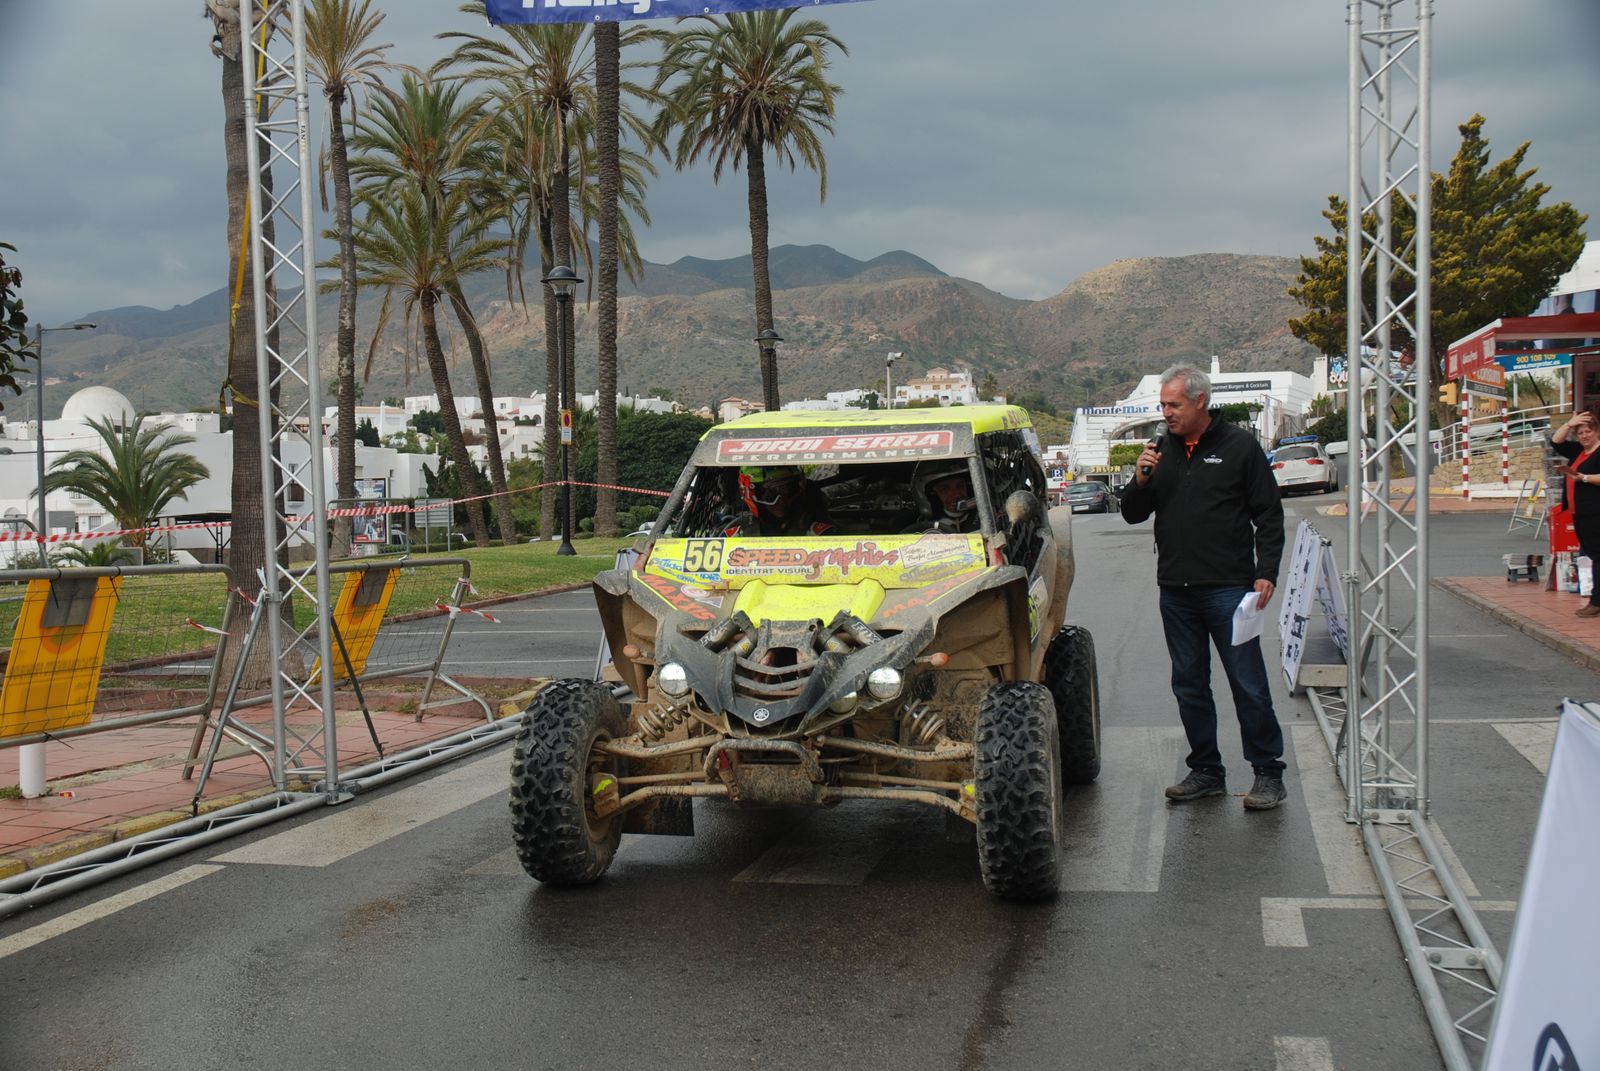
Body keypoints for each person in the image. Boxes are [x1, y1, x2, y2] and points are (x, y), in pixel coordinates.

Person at [1120, 364, 1289, 811]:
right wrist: (1139, 478)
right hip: (1176, 590)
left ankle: (1268, 773)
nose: (1166, 413)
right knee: (1189, 684)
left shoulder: (1239, 446)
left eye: (1173, 404)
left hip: (1229, 590)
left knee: (1247, 682)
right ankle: (1207, 771)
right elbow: (1132, 514)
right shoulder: (1160, 451)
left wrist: (1266, 571)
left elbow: (1268, 514)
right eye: (1162, 405)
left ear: (1199, 401)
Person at [1550, 407, 1600, 616]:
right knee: (1592, 554)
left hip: (1596, 511)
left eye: (1588, 431)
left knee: (1598, 555)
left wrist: (1584, 478)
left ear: (1597, 431)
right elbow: (1556, 441)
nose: (1584, 436)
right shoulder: (1579, 450)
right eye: (1580, 433)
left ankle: (1596, 601)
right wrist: (1570, 424)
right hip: (1580, 512)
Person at [731, 466, 834, 537]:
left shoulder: (822, 532)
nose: (780, 500)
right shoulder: (735, 534)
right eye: (770, 493)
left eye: (787, 489)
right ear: (750, 493)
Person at [909, 461, 978, 532]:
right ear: (932, 496)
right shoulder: (921, 531)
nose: (957, 494)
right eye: (945, 489)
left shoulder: (985, 520)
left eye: (960, 486)